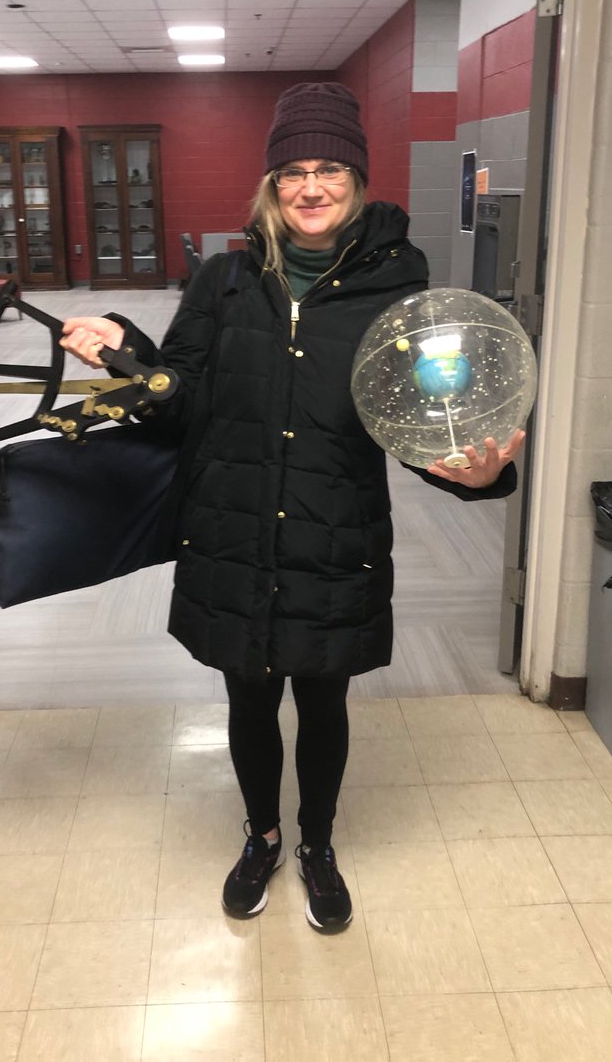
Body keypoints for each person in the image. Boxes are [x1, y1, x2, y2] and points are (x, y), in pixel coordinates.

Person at [61, 82, 524, 933]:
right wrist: (128, 357)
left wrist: (474, 475)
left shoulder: (400, 291)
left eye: (330, 171)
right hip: (232, 529)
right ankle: (262, 836)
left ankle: (317, 844)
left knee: (323, 701)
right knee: (246, 700)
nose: (311, 188)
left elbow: (425, 425)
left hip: (331, 529)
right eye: (293, 173)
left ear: (357, 181)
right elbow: (184, 398)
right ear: (271, 187)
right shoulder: (225, 281)